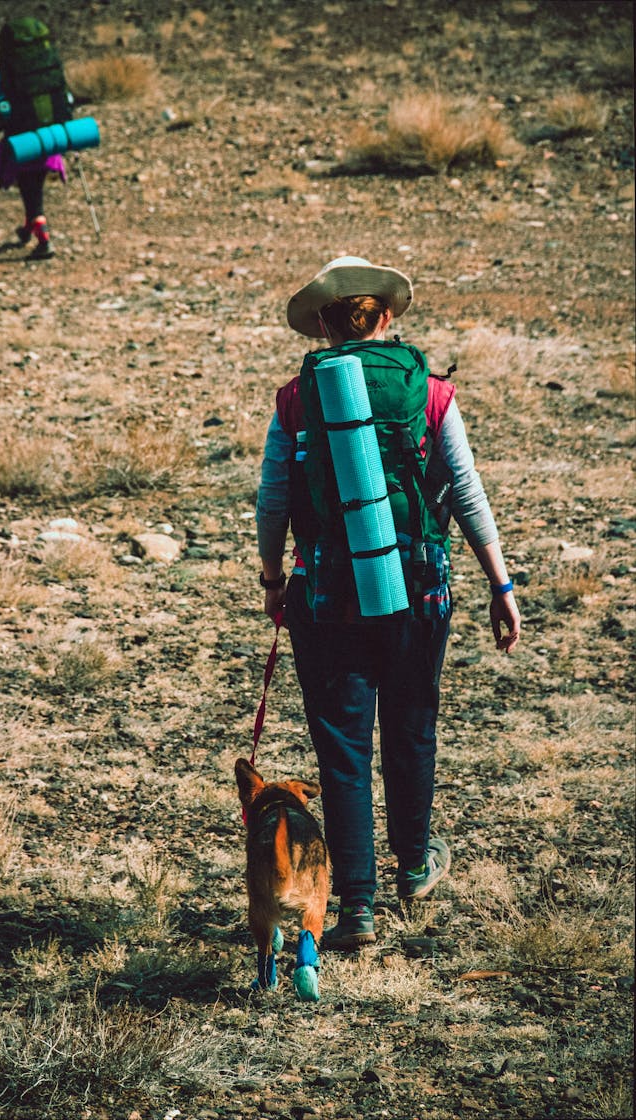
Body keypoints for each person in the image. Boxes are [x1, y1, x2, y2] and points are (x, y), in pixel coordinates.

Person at [256, 256, 521, 950]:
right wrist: (501, 585)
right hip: (418, 593)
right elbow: (465, 489)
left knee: (342, 749)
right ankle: (413, 867)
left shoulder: (295, 398)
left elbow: (274, 500)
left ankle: (357, 908)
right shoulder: (431, 394)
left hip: (326, 599)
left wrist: (273, 580)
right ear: (387, 317)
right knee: (410, 728)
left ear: (322, 323)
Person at [0, 18, 72, 260]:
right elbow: (68, 97)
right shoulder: (48, 65)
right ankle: (27, 227)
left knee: (28, 184)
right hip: (50, 137)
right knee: (35, 186)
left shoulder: (7, 72)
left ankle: (43, 237)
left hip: (21, 141)